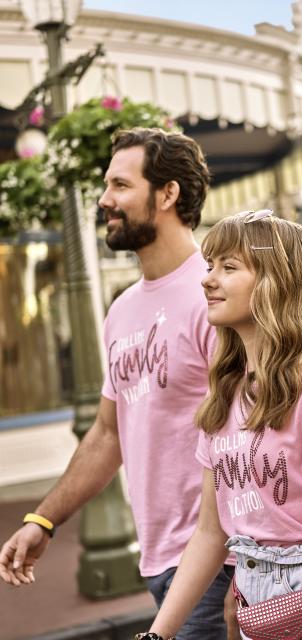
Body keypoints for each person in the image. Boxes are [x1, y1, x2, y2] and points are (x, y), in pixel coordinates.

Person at [0, 128, 234, 639]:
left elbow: (255, 435)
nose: (104, 199)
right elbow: (109, 434)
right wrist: (42, 520)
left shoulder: (213, 299)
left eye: (120, 185)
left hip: (218, 565)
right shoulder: (123, 310)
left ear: (167, 194)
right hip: (157, 561)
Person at [136, 210, 302, 640]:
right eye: (210, 266)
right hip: (255, 604)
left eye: (229, 268)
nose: (208, 280)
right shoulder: (224, 397)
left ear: (277, 283)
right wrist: (157, 635)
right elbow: (210, 533)